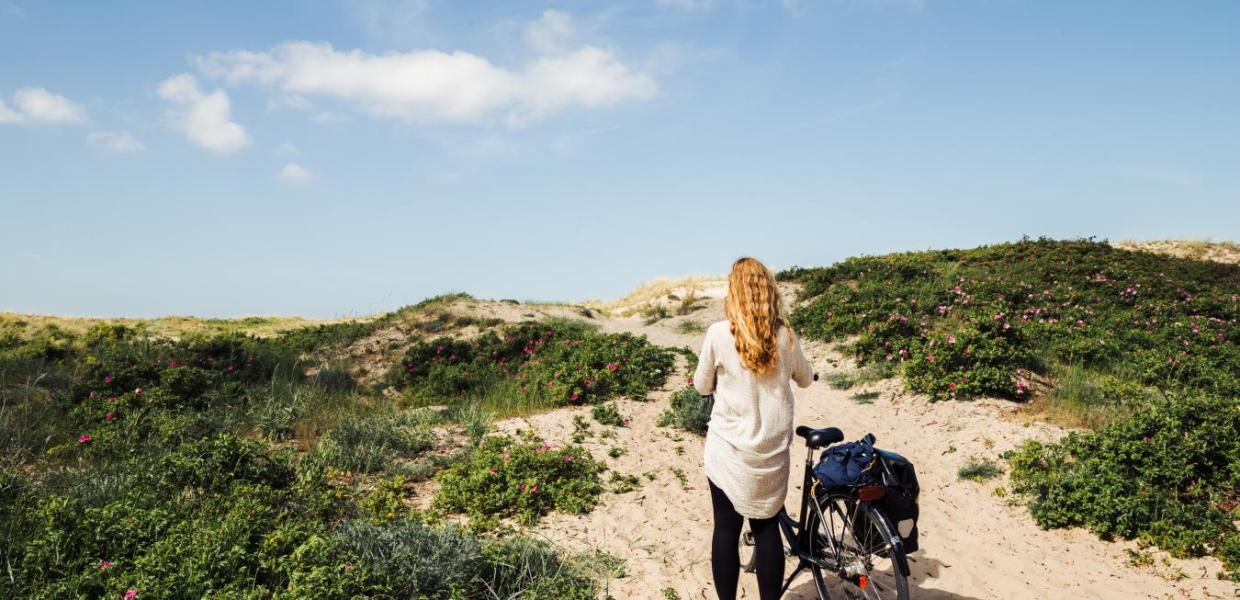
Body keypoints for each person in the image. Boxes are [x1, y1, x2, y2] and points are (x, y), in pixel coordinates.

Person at [694, 256, 814, 600]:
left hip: (729, 450)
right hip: (771, 453)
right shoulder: (785, 336)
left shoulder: (718, 334)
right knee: (766, 529)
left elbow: (702, 386)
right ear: (768, 291)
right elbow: (804, 379)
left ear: (734, 292)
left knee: (726, 528)